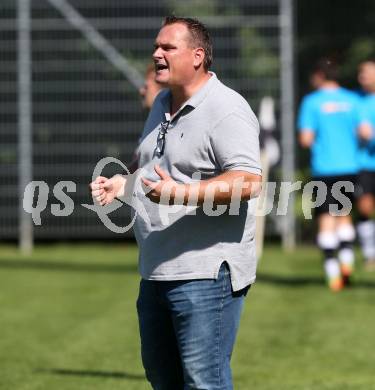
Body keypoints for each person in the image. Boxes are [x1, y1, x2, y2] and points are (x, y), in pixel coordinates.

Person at [90, 16, 262, 389]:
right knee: (163, 381)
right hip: (155, 270)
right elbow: (151, 167)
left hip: (205, 274)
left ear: (197, 55)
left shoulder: (226, 109)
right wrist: (123, 183)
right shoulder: (161, 104)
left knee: (204, 383)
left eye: (168, 47)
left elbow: (249, 181)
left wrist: (181, 193)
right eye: (157, 46)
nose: (156, 54)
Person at [298, 58, 360, 291]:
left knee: (326, 219)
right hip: (349, 166)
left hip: (324, 168)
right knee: (343, 214)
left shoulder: (312, 102)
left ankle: (333, 272)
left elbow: (306, 139)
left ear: (318, 76)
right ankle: (348, 263)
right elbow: (363, 132)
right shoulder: (352, 100)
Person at [357, 58, 375, 269]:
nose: (363, 77)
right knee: (365, 207)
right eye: (361, 73)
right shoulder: (354, 100)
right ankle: (370, 254)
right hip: (363, 164)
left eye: (368, 73)